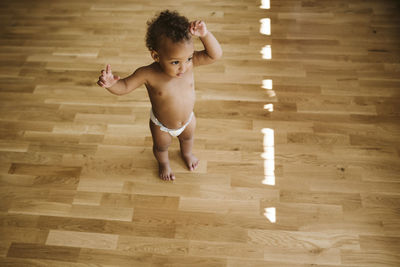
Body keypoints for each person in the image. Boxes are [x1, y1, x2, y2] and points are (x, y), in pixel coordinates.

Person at [96, 10, 222, 181]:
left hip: (188, 120)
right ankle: (164, 164)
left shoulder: (190, 65)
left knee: (188, 138)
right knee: (161, 147)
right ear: (156, 56)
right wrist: (111, 84)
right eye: (175, 62)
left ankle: (187, 154)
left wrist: (205, 35)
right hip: (161, 125)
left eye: (189, 58)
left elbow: (215, 55)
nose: (183, 67)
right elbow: (124, 86)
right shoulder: (148, 74)